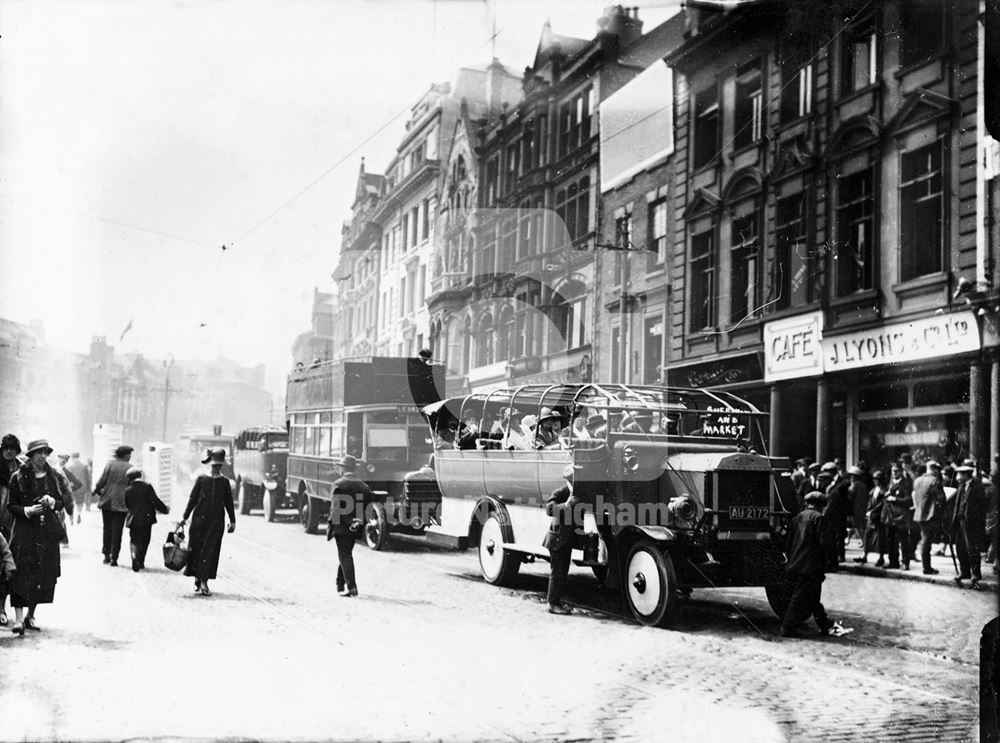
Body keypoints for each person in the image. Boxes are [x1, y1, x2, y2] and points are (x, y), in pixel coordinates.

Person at [6, 439, 72, 635]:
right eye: (39, 453)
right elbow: (11, 505)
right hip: (24, 532)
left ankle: (31, 615)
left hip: (47, 533)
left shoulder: (53, 477)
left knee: (42, 574)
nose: (43, 456)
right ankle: (18, 619)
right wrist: (27, 510)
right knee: (20, 573)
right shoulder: (17, 477)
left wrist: (53, 502)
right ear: (31, 456)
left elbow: (62, 503)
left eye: (45, 452)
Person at [180, 448, 236, 596]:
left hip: (216, 522)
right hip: (198, 521)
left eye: (219, 465)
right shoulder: (201, 479)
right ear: (210, 464)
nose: (217, 467)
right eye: (214, 465)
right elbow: (192, 500)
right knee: (197, 549)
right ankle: (197, 578)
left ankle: (204, 581)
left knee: (211, 551)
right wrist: (184, 518)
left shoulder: (224, 482)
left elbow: (229, 503)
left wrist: (233, 520)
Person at [780, 490, 835, 638]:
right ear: (821, 505)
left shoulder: (796, 518)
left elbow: (788, 544)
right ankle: (787, 627)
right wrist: (826, 564)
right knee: (800, 598)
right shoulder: (819, 518)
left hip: (795, 564)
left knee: (812, 596)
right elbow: (824, 544)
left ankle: (824, 622)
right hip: (810, 566)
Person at [325, 454, 370, 597]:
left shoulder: (339, 484)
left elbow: (336, 509)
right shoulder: (364, 486)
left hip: (342, 526)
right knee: (346, 554)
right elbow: (368, 508)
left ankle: (352, 588)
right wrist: (358, 521)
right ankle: (340, 584)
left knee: (345, 556)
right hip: (356, 527)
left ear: (343, 468)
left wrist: (344, 522)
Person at [542, 463, 583, 615]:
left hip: (564, 539)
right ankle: (553, 603)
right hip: (557, 539)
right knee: (557, 572)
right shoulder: (561, 492)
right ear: (570, 480)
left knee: (562, 571)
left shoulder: (576, 492)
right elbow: (549, 509)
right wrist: (566, 505)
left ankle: (556, 601)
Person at [93, 444, 134, 566]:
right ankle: (114, 558)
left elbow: (101, 482)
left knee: (107, 529)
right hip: (121, 503)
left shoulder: (109, 465)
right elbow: (132, 486)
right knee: (117, 531)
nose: (130, 457)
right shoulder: (130, 468)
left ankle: (106, 554)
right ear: (125, 455)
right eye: (129, 455)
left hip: (107, 501)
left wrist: (96, 490)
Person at [123, 466, 169, 572]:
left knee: (134, 540)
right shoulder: (147, 487)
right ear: (140, 475)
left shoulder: (128, 490)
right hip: (146, 519)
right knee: (145, 540)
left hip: (133, 519)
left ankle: (134, 556)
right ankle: (141, 561)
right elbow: (155, 501)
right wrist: (165, 509)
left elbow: (127, 504)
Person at [953, 462, 988, 587]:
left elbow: (983, 506)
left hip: (972, 524)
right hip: (960, 521)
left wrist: (978, 521)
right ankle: (965, 572)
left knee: (972, 548)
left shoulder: (977, 487)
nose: (957, 476)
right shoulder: (961, 487)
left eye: (959, 474)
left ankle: (975, 573)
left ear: (966, 475)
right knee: (960, 548)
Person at [0, 433, 22, 625]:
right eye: (6, 448)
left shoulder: (22, 470)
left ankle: (1, 607)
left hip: (12, 523)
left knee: (7, 569)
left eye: (12, 448)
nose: (9, 451)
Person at [911, 460, 947, 575]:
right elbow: (941, 498)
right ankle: (926, 568)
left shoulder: (917, 481)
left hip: (919, 514)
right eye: (938, 470)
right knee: (926, 541)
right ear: (934, 469)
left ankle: (926, 566)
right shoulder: (934, 481)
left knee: (924, 539)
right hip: (931, 516)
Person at [883, 463, 915, 570]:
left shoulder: (905, 483)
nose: (894, 473)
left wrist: (895, 499)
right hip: (891, 515)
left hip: (901, 516)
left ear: (901, 471)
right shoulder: (891, 482)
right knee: (890, 540)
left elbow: (909, 499)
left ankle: (905, 562)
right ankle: (893, 561)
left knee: (903, 540)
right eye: (893, 471)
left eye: (896, 471)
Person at [859, 470, 888, 567]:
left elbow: (882, 504)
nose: (875, 481)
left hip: (879, 516)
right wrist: (868, 510)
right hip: (871, 516)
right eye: (874, 479)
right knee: (868, 535)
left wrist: (872, 511)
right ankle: (865, 555)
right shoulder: (874, 489)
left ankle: (881, 557)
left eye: (877, 479)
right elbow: (870, 501)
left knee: (880, 538)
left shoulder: (884, 490)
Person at [64, 452, 92, 521]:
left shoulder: (69, 466)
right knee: (80, 502)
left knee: (72, 501)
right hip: (81, 486)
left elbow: (67, 478)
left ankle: (72, 517)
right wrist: (88, 487)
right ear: (79, 457)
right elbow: (87, 478)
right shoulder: (84, 466)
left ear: (72, 457)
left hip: (72, 486)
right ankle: (79, 514)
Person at [846, 466, 869, 548]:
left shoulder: (854, 485)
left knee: (857, 526)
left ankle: (864, 541)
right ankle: (850, 539)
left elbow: (850, 495)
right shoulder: (863, 485)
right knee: (856, 525)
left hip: (855, 508)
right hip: (863, 507)